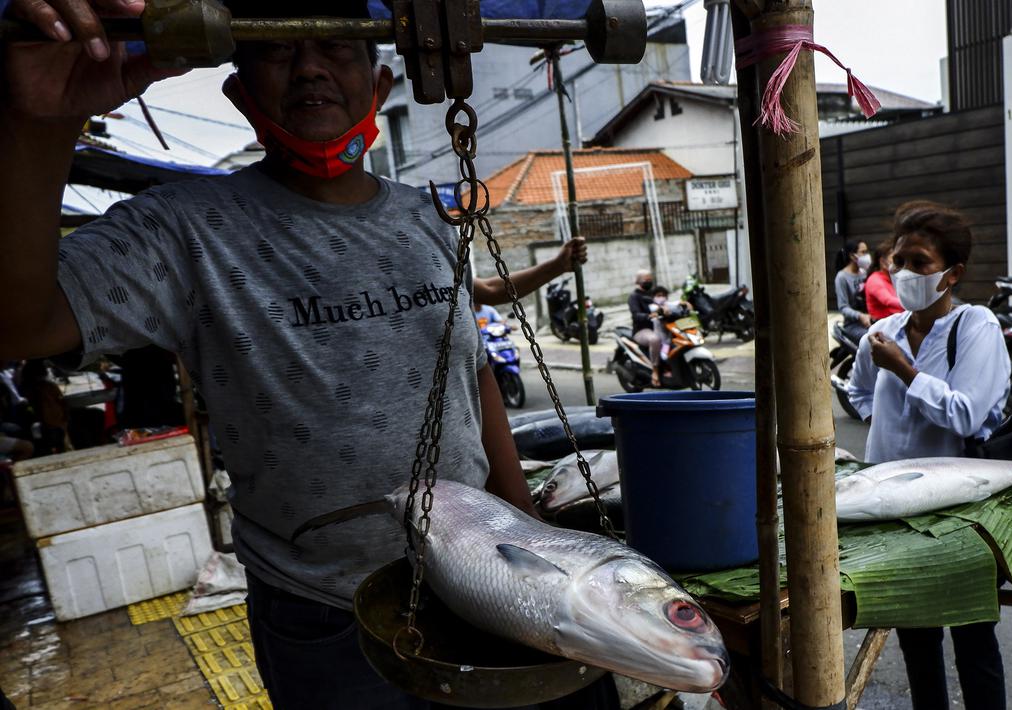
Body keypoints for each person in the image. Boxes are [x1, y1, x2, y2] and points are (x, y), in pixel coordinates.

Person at [0, 2, 617, 708]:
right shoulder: (183, 230)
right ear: (238, 91)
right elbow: (18, 326)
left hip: (479, 574)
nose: (311, 66)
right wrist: (39, 122)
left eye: (337, 46)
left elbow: (470, 374)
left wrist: (528, 535)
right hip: (323, 612)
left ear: (379, 84)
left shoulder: (424, 218)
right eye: (279, 49)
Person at [847, 201, 1011, 710]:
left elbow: (966, 415)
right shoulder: (884, 335)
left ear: (952, 273)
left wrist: (906, 373)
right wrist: (889, 433)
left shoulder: (974, 326)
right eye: (898, 261)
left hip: (958, 514)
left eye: (919, 263)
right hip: (892, 510)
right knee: (917, 638)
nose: (903, 273)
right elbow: (855, 394)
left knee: (972, 636)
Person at [833, 238, 871, 343]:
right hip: (853, 325)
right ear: (852, 256)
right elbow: (843, 307)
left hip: (871, 320)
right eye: (863, 252)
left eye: (867, 251)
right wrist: (860, 316)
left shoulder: (865, 272)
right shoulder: (842, 277)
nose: (867, 255)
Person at [628, 270, 662, 386]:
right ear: (638, 281)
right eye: (646, 280)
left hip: (659, 327)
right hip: (642, 330)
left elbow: (664, 304)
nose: (649, 282)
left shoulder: (653, 294)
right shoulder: (634, 297)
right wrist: (648, 316)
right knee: (655, 340)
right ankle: (655, 371)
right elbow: (636, 315)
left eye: (650, 280)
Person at [865, 238, 904, 321]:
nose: (898, 262)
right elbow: (888, 300)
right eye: (894, 258)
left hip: (896, 320)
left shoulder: (894, 277)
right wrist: (912, 305)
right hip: (881, 326)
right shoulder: (874, 280)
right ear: (882, 262)